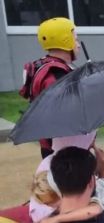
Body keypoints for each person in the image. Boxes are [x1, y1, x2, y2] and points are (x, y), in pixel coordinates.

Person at [19, 17, 80, 158]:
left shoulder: (41, 66)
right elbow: (66, 116)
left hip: (48, 146)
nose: (79, 45)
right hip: (63, 151)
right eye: (76, 39)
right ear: (66, 41)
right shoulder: (57, 75)